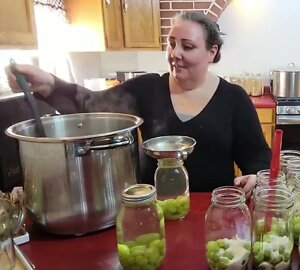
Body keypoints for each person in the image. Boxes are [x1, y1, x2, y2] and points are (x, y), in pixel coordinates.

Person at [5, 11, 271, 195]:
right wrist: (48, 83)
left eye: (187, 46)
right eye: (171, 43)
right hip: (152, 209)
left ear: (211, 52)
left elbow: (257, 155)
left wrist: (256, 176)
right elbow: (90, 107)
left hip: (214, 209)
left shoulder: (233, 97)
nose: (175, 53)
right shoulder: (148, 88)